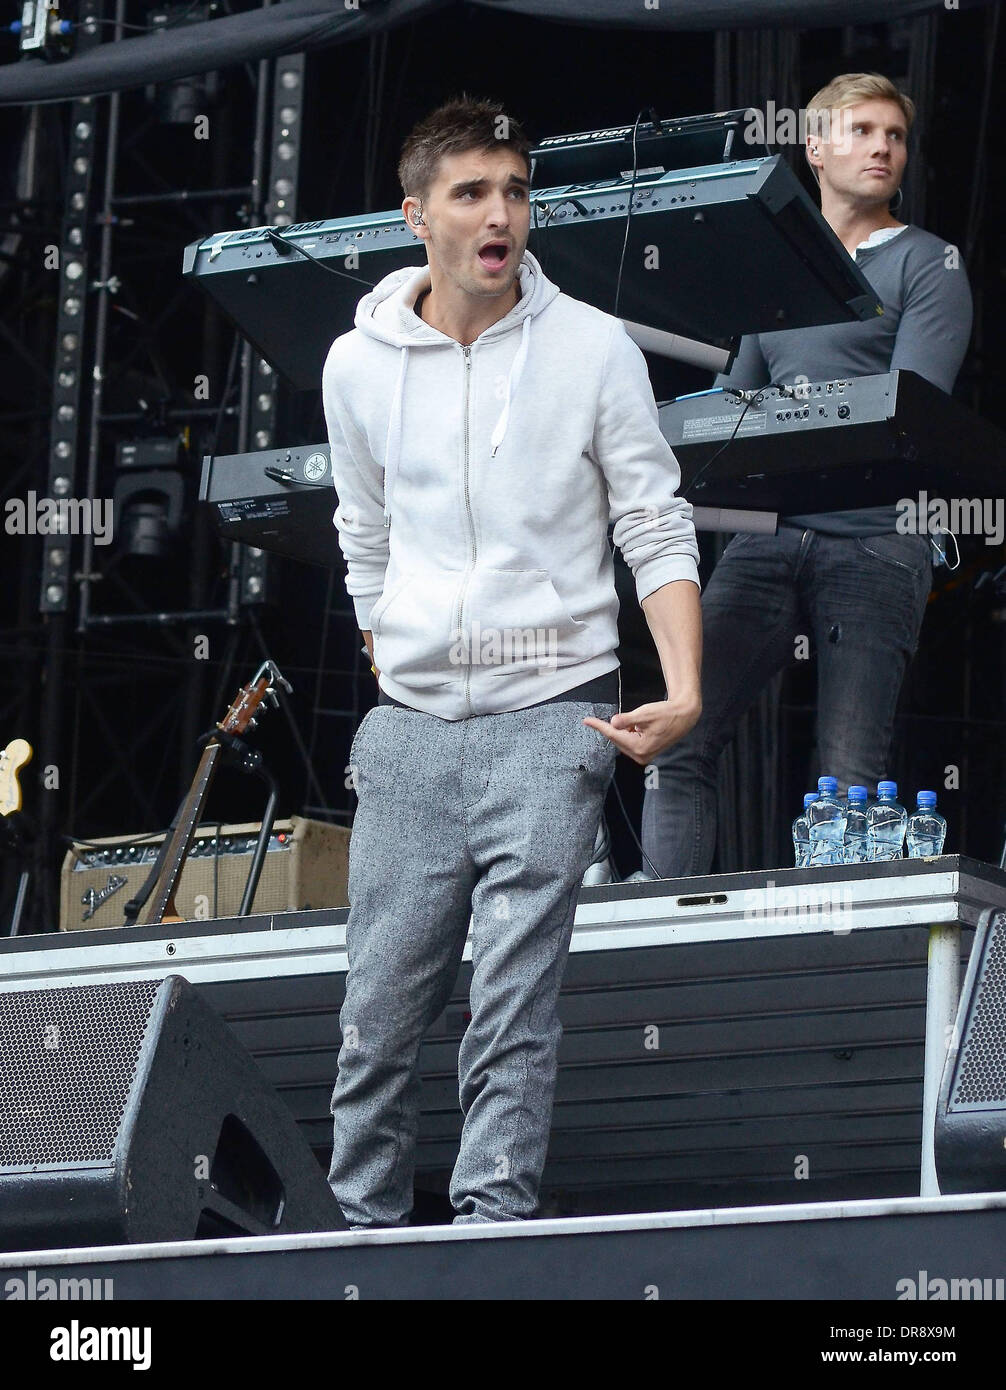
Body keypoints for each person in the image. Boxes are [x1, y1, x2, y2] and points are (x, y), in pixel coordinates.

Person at [322, 95, 701, 1227]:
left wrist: (680, 688)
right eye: (473, 192)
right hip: (413, 728)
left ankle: (491, 1234)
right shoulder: (355, 362)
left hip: (553, 711)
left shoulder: (591, 346)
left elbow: (655, 520)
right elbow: (362, 528)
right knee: (378, 1009)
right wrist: (390, 651)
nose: (502, 213)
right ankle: (360, 1237)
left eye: (517, 191)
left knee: (513, 1001)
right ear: (416, 215)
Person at [641, 71, 973, 879]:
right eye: (861, 131)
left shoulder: (932, 265)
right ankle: (664, 935)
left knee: (849, 777)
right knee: (678, 735)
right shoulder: (778, 269)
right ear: (814, 149)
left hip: (877, 542)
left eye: (894, 136)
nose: (882, 148)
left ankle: (832, 969)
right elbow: (730, 410)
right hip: (767, 537)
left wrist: (785, 417)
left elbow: (908, 413)